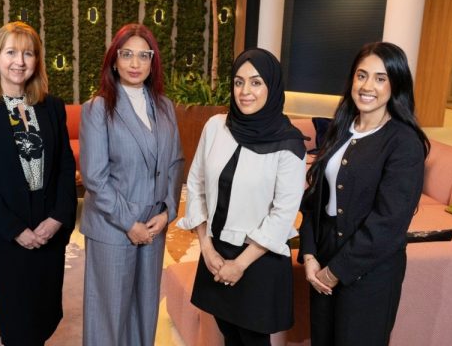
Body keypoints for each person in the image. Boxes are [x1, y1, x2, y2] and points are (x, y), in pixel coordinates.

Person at [299, 42, 429, 346]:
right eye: (362, 75)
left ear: (395, 85)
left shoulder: (404, 142)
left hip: (371, 272)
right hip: (324, 257)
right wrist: (308, 255)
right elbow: (313, 200)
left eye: (380, 78)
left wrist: (336, 272)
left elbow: (388, 223)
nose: (368, 86)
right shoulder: (341, 129)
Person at [177, 48, 307, 346]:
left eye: (256, 82)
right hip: (217, 251)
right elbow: (195, 184)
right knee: (229, 335)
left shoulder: (289, 143)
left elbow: (282, 214)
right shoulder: (215, 127)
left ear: (272, 87)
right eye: (238, 82)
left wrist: (240, 264)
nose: (245, 91)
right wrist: (206, 248)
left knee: (252, 340)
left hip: (259, 258)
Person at [0, 21, 77, 346]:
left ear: (36, 61)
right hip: (6, 237)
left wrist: (57, 219)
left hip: (49, 232)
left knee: (45, 316)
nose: (20, 61)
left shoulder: (51, 107)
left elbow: (65, 168)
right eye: (11, 52)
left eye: (28, 53)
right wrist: (16, 230)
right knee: (17, 325)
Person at [79, 23, 184, 345]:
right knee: (109, 315)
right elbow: (95, 177)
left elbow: (175, 161)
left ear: (153, 62)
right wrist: (130, 224)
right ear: (114, 60)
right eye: (127, 55)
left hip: (154, 224)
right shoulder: (98, 109)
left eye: (143, 56)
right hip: (114, 226)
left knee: (145, 309)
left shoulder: (164, 106)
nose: (135, 64)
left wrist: (167, 211)